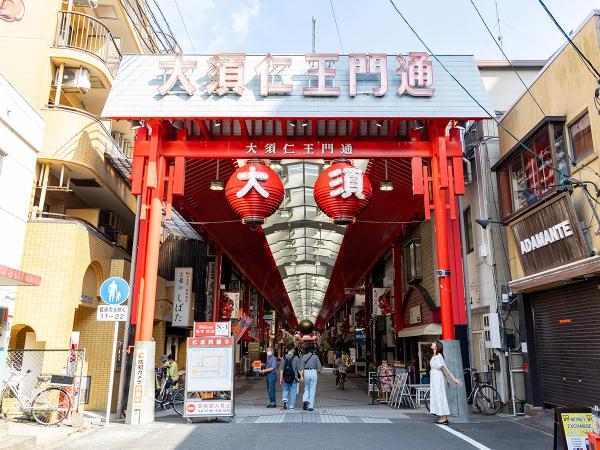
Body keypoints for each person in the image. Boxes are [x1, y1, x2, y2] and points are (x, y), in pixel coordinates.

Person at [429, 340, 462, 425]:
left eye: (433, 343)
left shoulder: (439, 356)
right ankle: (441, 416)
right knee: (437, 396)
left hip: (437, 378)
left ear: (437, 346)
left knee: (440, 396)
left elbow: (445, 369)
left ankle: (444, 418)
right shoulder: (434, 356)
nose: (432, 344)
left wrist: (453, 379)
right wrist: (447, 380)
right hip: (434, 378)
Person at [299, 344, 321, 411]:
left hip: (306, 372)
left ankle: (305, 400)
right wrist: (318, 371)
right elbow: (319, 367)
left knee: (307, 388)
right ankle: (311, 406)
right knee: (312, 389)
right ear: (312, 350)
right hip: (313, 372)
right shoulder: (315, 357)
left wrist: (301, 376)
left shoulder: (304, 356)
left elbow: (301, 368)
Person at [279, 343, 300, 410]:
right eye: (294, 348)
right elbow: (299, 369)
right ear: (292, 349)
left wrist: (280, 378)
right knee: (293, 391)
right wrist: (301, 376)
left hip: (285, 377)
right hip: (293, 378)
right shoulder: (296, 358)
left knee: (285, 389)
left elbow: (281, 369)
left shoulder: (283, 358)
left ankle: (285, 399)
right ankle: (291, 406)